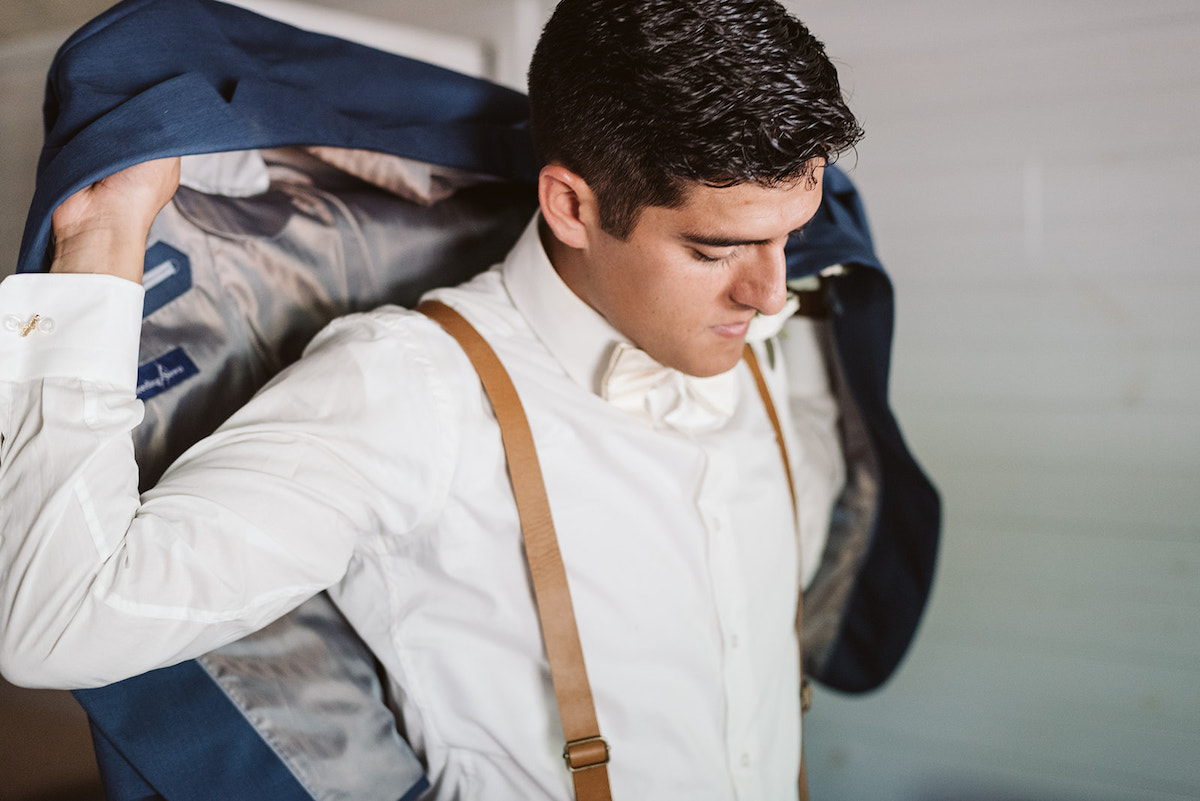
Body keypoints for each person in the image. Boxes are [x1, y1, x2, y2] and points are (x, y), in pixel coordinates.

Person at [0, 0, 864, 797]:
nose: (771, 293)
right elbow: (57, 624)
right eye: (717, 251)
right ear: (569, 204)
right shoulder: (407, 390)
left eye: (789, 236)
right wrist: (99, 251)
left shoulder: (771, 330)